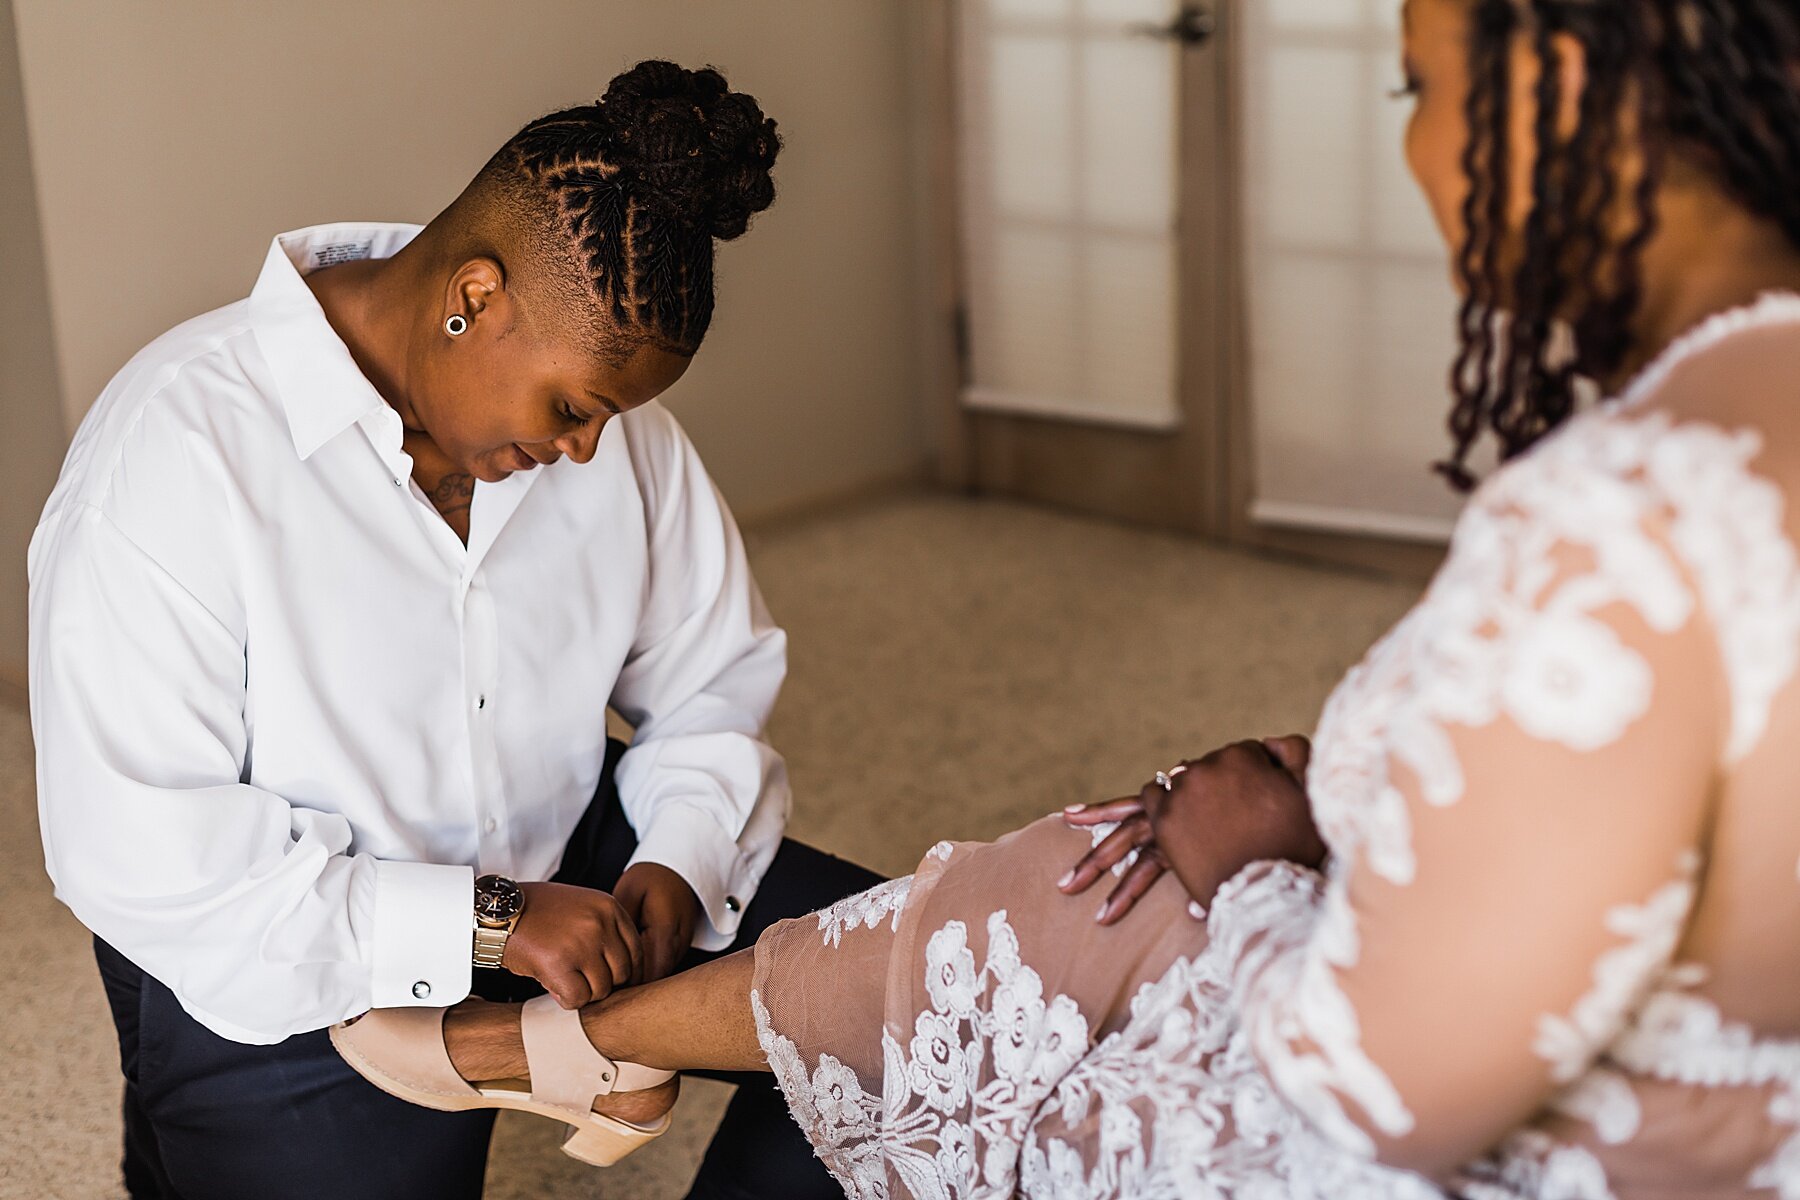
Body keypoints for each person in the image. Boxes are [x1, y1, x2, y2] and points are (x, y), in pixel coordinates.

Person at [333, 2, 1800, 1197]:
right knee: (1079, 879)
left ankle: (553, 1049)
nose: (1414, 147)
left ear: (1543, 88)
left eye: (1412, 87)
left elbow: (1389, 1094)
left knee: (1091, 900)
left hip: (1459, 1142)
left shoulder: (1629, 517)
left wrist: (1260, 868)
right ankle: (582, 1045)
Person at [29, 60, 880, 1200]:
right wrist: (490, 922)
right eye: (574, 408)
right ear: (473, 297)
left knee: (924, 1008)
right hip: (297, 949)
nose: (588, 449)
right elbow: (139, 853)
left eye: (611, 418)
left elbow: (712, 678)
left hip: (573, 856)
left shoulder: (622, 445)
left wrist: (681, 855)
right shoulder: (176, 449)